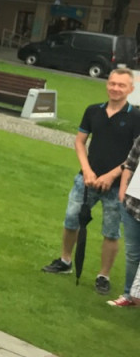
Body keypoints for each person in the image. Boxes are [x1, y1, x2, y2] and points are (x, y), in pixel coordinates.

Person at [42, 69, 140, 295]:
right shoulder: (93, 110)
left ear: (131, 89)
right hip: (86, 180)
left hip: (116, 186)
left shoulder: (136, 117)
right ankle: (65, 261)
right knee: (71, 220)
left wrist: (111, 175)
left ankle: (103, 276)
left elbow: (135, 155)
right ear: (107, 84)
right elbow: (80, 142)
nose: (115, 88)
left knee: (111, 231)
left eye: (121, 85)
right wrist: (87, 170)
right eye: (112, 83)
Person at [113, 137, 140, 307]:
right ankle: (128, 294)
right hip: (133, 207)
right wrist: (122, 193)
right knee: (132, 255)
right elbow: (129, 165)